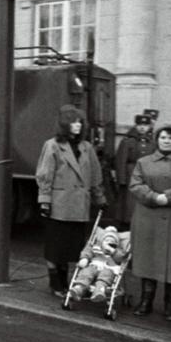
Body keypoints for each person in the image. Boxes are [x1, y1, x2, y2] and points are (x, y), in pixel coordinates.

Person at [36, 105, 107, 297]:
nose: (78, 125)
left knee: (72, 249)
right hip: (59, 205)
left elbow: (95, 175)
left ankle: (66, 282)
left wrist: (99, 198)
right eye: (74, 121)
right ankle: (55, 283)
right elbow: (44, 175)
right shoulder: (52, 145)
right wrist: (44, 201)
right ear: (64, 124)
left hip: (79, 207)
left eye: (80, 122)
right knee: (55, 248)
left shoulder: (87, 147)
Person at [130, 126, 171, 321]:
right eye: (163, 137)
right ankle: (146, 301)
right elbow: (135, 185)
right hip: (148, 218)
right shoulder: (144, 162)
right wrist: (153, 198)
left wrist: (168, 198)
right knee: (148, 259)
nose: (166, 141)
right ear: (157, 140)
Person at [115, 114, 156, 229]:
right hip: (130, 176)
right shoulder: (128, 141)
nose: (142, 127)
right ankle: (126, 226)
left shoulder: (152, 143)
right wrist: (122, 180)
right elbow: (121, 161)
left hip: (147, 176)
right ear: (136, 125)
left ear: (149, 126)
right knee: (128, 206)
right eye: (140, 125)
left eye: (145, 125)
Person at [68, 226, 128, 302]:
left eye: (112, 242)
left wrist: (113, 251)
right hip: (94, 265)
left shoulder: (117, 251)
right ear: (101, 241)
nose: (109, 243)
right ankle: (79, 288)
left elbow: (121, 258)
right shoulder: (96, 247)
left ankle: (99, 291)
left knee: (105, 277)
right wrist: (85, 258)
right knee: (86, 272)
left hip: (108, 268)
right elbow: (88, 251)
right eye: (107, 240)